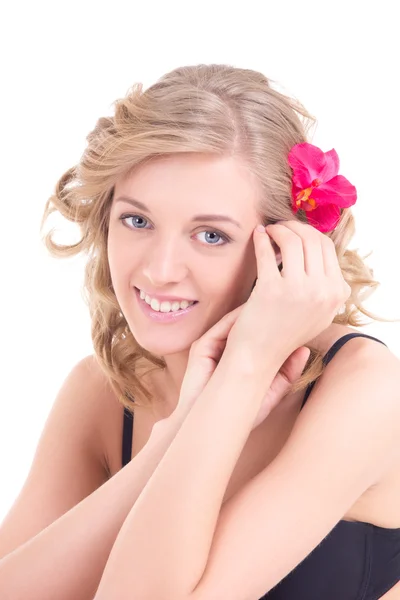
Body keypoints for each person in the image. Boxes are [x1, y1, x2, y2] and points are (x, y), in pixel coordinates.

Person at [0, 64, 399, 599]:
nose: (160, 269)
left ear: (286, 248)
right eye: (137, 221)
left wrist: (247, 369)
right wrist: (179, 431)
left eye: (210, 235)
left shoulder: (366, 393)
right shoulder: (105, 391)